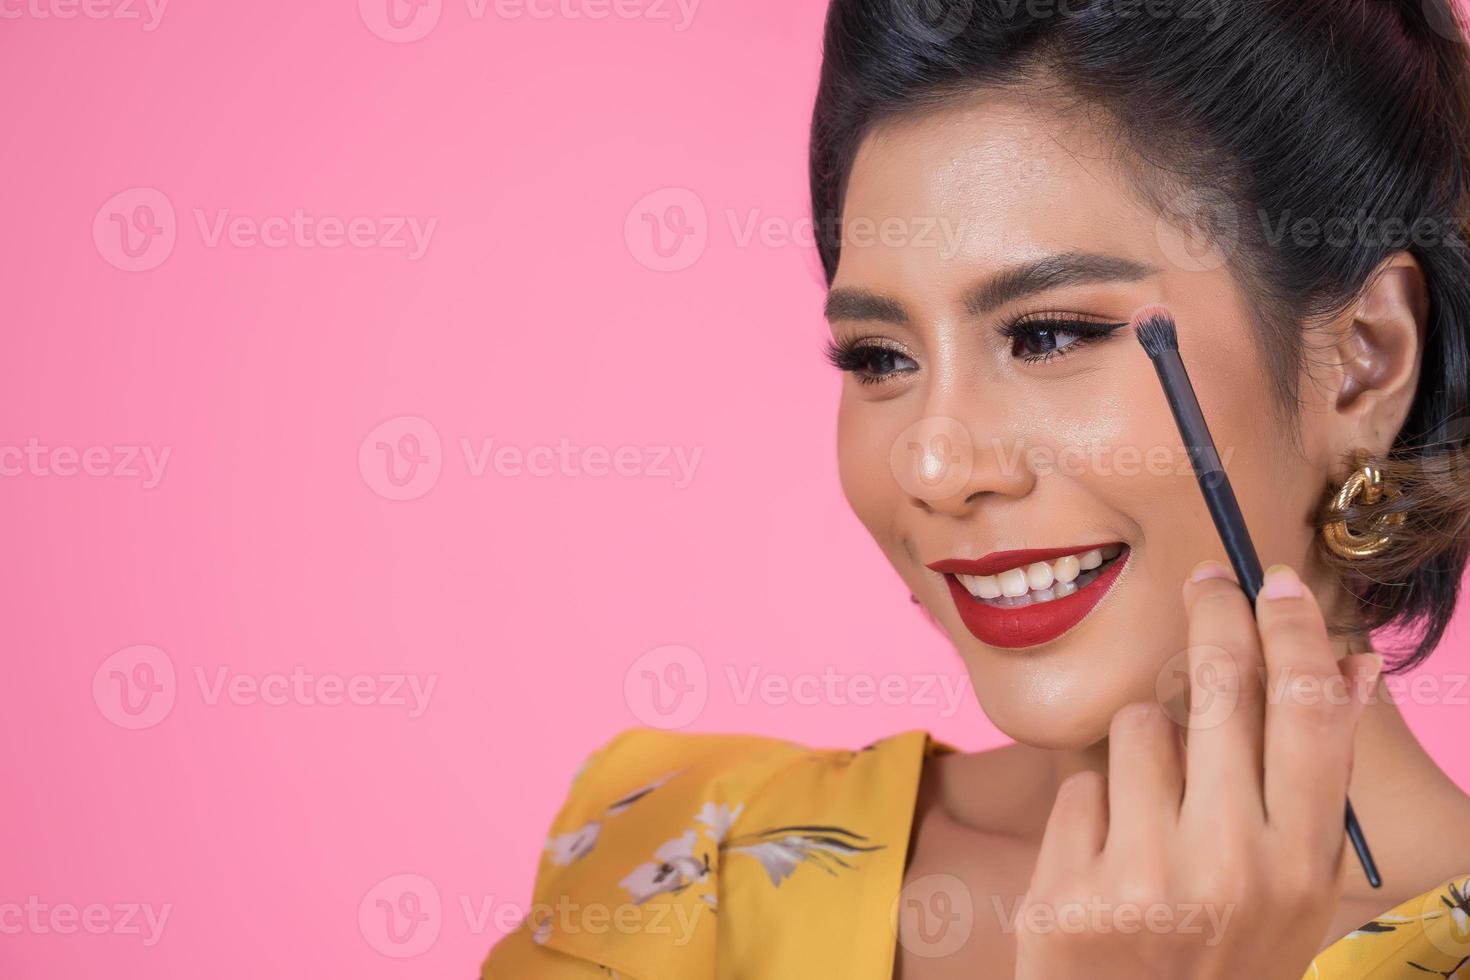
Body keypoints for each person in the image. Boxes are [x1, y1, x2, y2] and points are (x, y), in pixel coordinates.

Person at [483, 0, 1470, 975]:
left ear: (1366, 360)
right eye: (880, 355)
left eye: (1046, 334)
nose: (932, 464)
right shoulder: (688, 867)